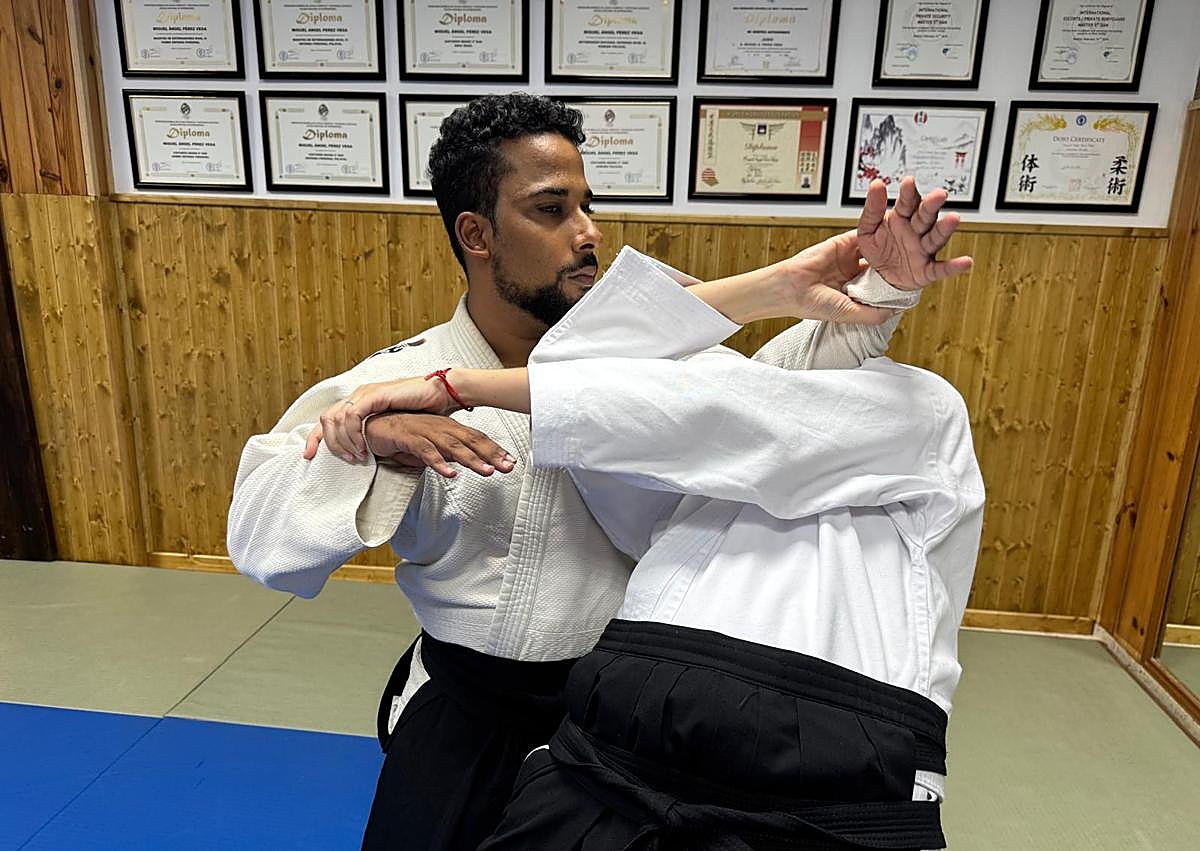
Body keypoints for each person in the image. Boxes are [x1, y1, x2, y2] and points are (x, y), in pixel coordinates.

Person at [228, 90, 970, 850]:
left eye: (587, 204)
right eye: (552, 210)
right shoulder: (405, 380)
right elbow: (260, 538)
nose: (589, 233)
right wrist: (376, 451)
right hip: (466, 721)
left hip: (624, 736)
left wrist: (882, 291)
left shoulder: (645, 362)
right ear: (476, 233)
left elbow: (773, 404)